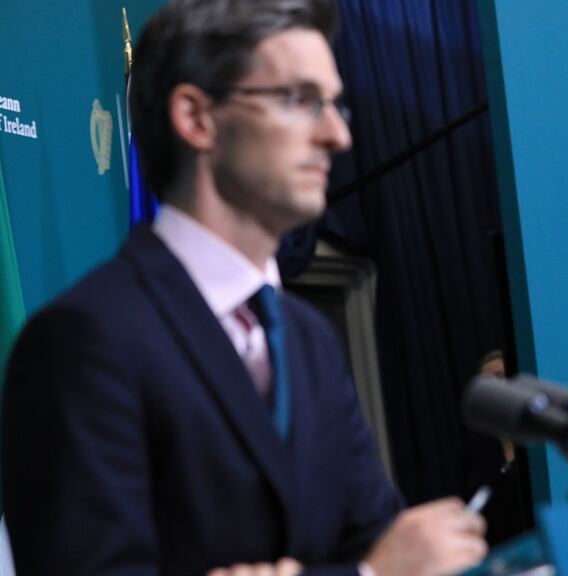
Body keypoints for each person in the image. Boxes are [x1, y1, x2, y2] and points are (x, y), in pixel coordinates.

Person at [1, 1, 486, 575]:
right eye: (300, 100)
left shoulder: (310, 338)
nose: (337, 135)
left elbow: (379, 536)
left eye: (336, 105)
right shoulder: (83, 340)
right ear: (197, 118)